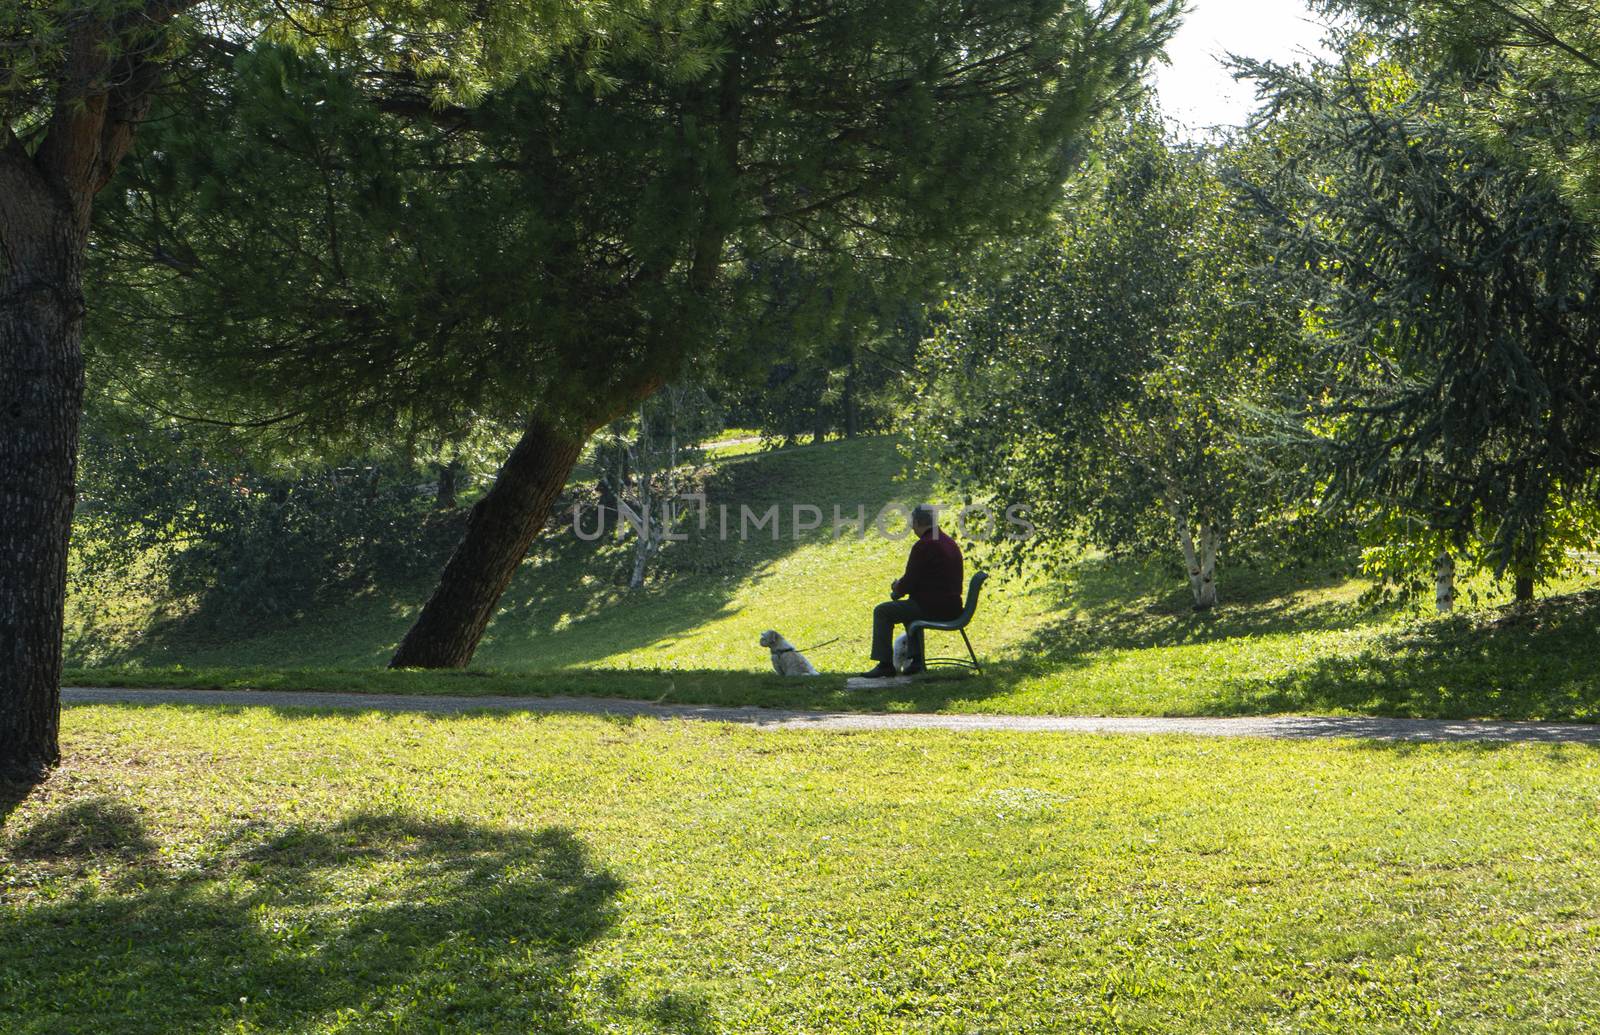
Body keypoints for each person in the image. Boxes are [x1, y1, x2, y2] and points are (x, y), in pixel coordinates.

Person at [858, 504, 963, 678]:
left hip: (934, 607)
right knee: (908, 609)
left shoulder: (924, 545)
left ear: (919, 522)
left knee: (883, 611)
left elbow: (908, 583)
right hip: (952, 605)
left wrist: (896, 588)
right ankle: (916, 661)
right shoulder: (947, 541)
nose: (911, 527)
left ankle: (885, 663)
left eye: (912, 523)